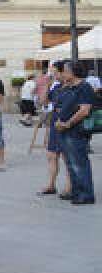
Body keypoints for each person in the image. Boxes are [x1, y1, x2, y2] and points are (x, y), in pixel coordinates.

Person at [54, 61, 96, 205]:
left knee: (79, 164)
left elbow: (84, 110)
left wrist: (68, 123)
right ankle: (76, 191)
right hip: (65, 131)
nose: (63, 74)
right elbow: (58, 105)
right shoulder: (69, 88)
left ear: (73, 72)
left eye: (65, 71)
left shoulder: (84, 87)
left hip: (76, 131)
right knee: (71, 164)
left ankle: (86, 194)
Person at [40, 61, 71, 197]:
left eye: (54, 71)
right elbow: (44, 101)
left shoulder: (71, 86)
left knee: (66, 157)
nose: (52, 74)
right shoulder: (56, 87)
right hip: (55, 124)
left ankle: (69, 186)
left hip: (66, 125)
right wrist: (47, 85)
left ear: (62, 71)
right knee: (52, 155)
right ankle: (51, 185)